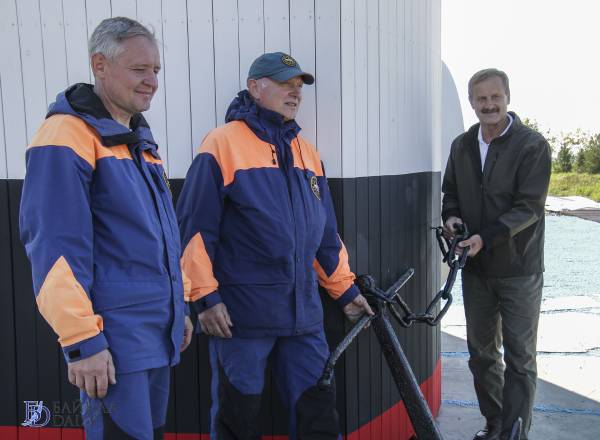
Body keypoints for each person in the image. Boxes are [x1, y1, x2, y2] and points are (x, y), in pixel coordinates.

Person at [177, 52, 373, 439]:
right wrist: (204, 298)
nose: (295, 92)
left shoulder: (307, 151)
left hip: (304, 316)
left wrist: (346, 292)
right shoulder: (222, 143)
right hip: (241, 317)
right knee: (237, 418)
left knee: (318, 415)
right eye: (285, 84)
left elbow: (325, 234)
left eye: (298, 86)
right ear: (255, 87)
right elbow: (195, 230)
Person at [19, 17, 193, 440]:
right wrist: (82, 340)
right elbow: (55, 252)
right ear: (100, 65)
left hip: (155, 333)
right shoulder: (66, 135)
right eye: (139, 69)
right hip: (113, 342)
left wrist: (180, 307)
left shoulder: (136, 139)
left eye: (156, 70)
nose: (152, 81)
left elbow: (159, 238)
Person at [442, 68, 551, 440]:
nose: (488, 105)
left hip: (520, 270)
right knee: (482, 354)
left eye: (495, 97)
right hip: (477, 270)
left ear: (507, 97)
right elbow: (451, 193)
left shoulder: (532, 146)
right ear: (471, 102)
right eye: (481, 99)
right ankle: (496, 424)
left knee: (520, 357)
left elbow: (529, 208)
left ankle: (514, 434)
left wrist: (484, 238)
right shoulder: (461, 145)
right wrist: (451, 218)